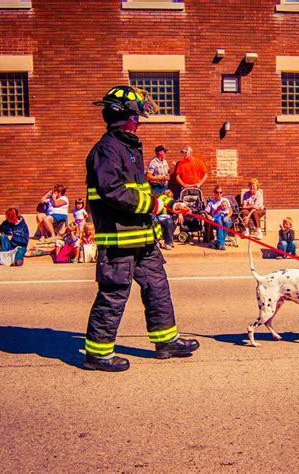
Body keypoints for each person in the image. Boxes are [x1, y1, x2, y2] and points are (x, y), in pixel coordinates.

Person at [84, 85, 199, 372]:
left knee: (158, 287)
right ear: (123, 117)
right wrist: (153, 206)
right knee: (114, 294)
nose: (139, 122)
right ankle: (97, 354)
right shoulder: (107, 150)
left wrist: (167, 203)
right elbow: (112, 191)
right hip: (120, 239)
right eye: (137, 117)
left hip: (144, 238)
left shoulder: (129, 147)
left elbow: (140, 190)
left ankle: (166, 342)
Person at [204, 185, 233, 250]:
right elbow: (206, 212)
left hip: (226, 217)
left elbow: (231, 211)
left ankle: (219, 243)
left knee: (226, 222)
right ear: (214, 193)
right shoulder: (211, 202)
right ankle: (220, 244)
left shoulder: (225, 200)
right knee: (219, 222)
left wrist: (227, 217)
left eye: (221, 192)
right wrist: (208, 216)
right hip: (217, 219)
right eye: (217, 192)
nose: (219, 194)